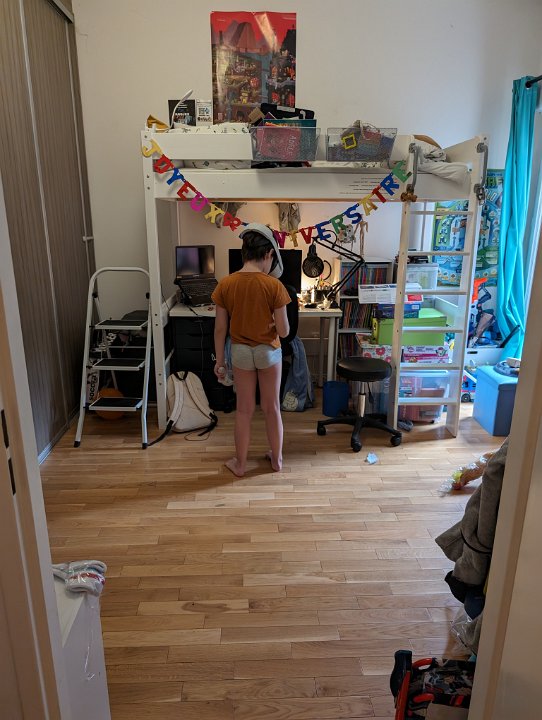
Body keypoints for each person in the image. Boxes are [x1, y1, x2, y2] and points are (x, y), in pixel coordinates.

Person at [212, 223, 291, 477]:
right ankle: (276, 460)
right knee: (272, 408)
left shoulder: (226, 284)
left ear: (244, 252)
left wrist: (220, 362)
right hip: (268, 352)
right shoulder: (274, 286)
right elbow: (284, 331)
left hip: (241, 352)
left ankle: (241, 464)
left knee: (244, 410)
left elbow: (220, 329)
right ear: (268, 254)